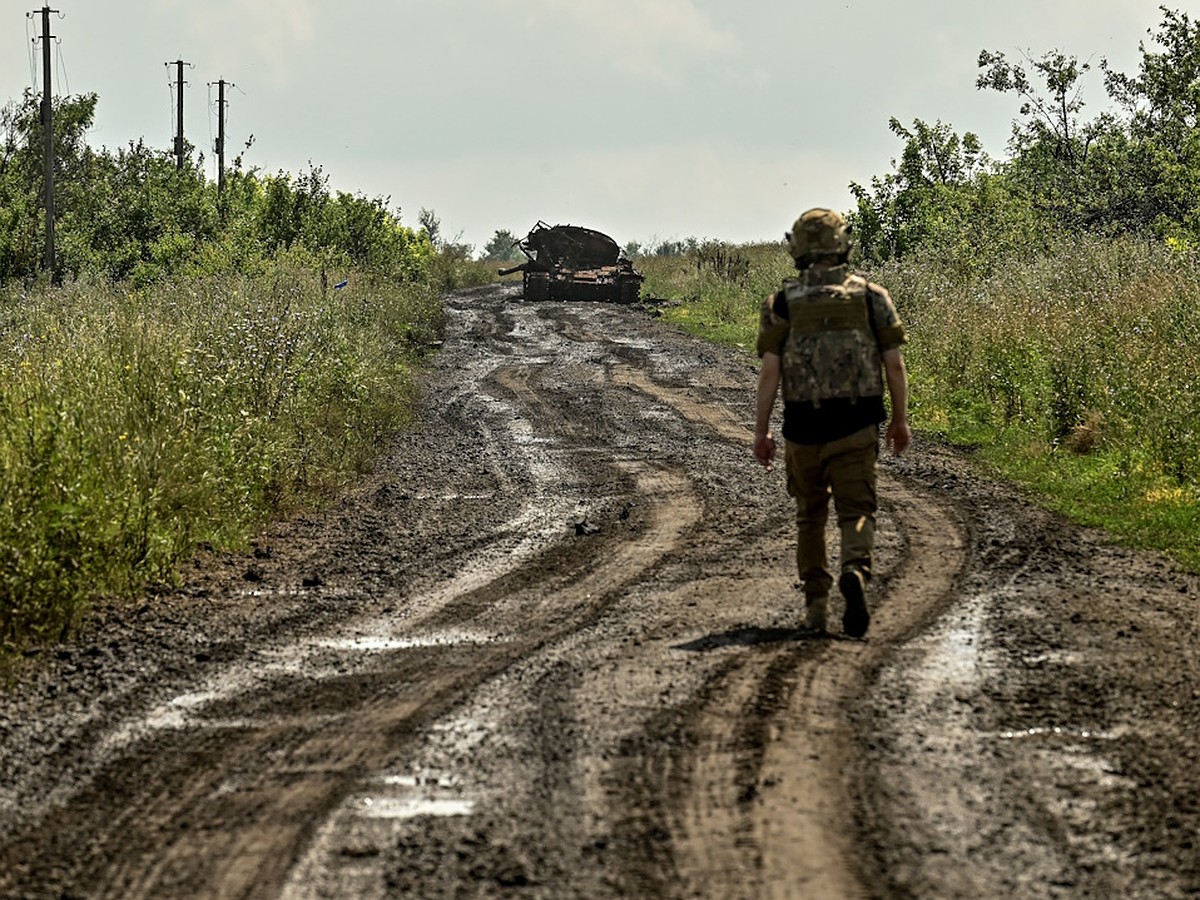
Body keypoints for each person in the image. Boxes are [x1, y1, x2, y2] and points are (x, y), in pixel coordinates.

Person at [753, 208, 910, 637]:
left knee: (810, 516)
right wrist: (899, 420)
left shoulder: (782, 302)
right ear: (843, 243)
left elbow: (770, 372)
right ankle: (855, 570)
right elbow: (893, 365)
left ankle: (817, 608)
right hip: (857, 424)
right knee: (857, 509)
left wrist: (761, 430)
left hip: (803, 427)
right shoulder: (871, 297)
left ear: (798, 249)